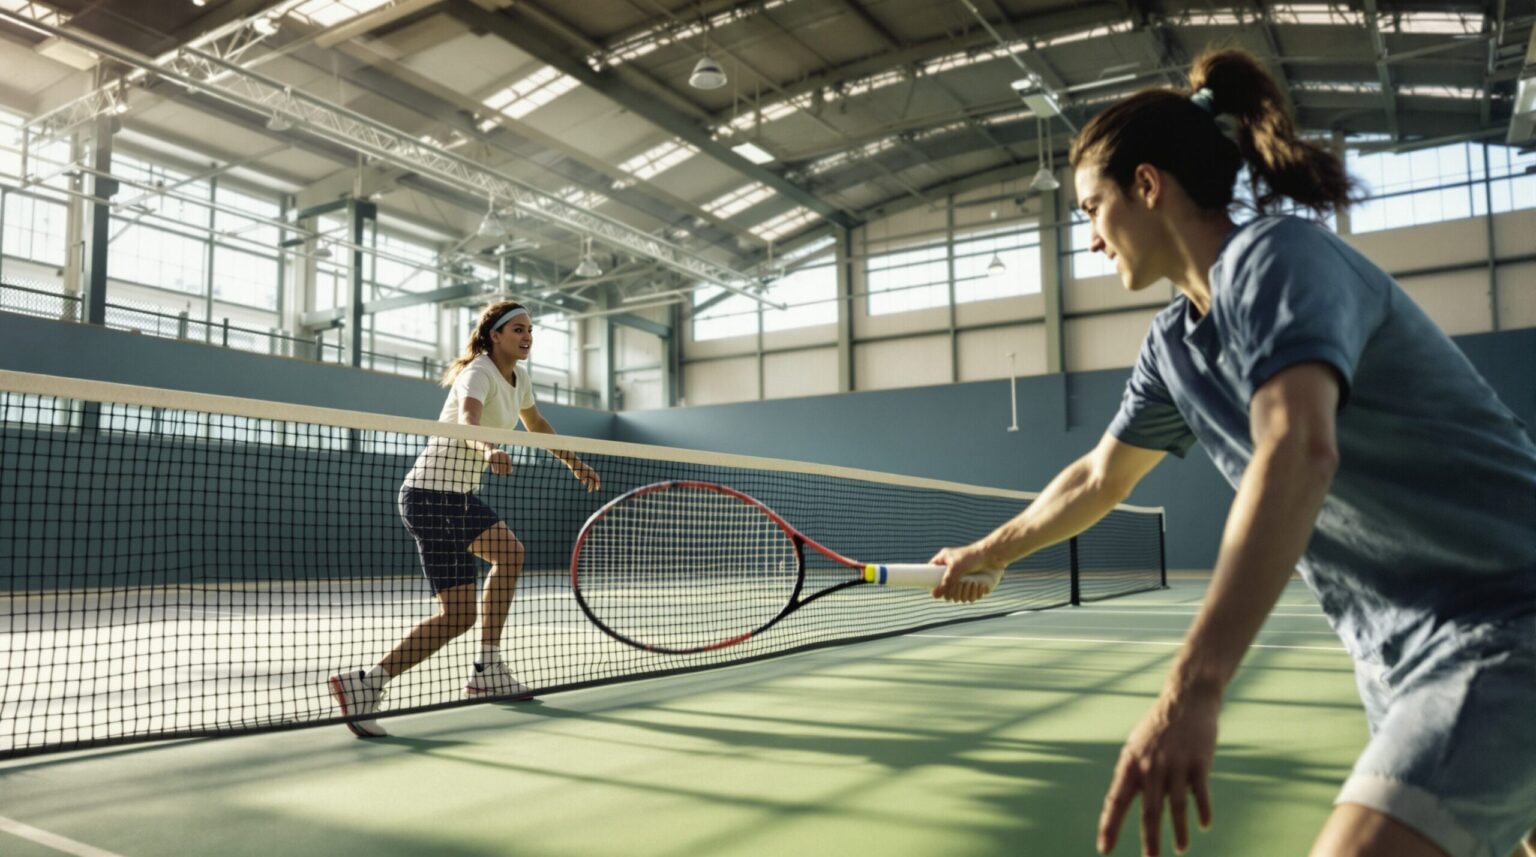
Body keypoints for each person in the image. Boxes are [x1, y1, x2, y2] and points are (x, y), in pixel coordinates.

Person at [927, 48, 1536, 857]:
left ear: (1147, 186)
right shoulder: (1172, 347)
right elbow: (1100, 477)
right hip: (1396, 650)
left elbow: (1298, 447)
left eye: (1090, 208)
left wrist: (1193, 686)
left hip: (1505, 619)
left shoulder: (1277, 258)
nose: (1090, 237)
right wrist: (990, 551)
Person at [329, 301, 600, 738]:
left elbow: (537, 423)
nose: (527, 336)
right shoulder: (478, 372)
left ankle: (486, 667)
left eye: (530, 329)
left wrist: (573, 462)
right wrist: (488, 449)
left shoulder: (520, 378)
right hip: (429, 497)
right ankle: (364, 684)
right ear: (494, 334)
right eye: (517, 329)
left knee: (510, 554)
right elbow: (469, 422)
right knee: (458, 616)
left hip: (457, 497)